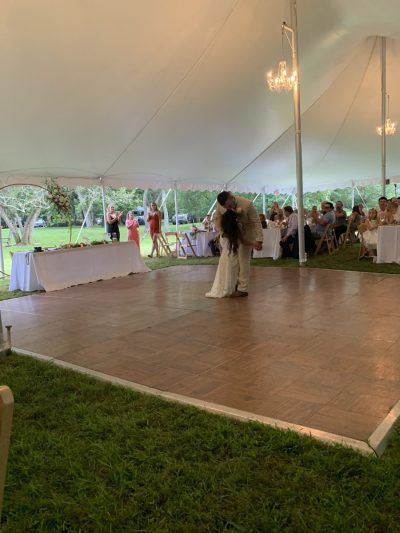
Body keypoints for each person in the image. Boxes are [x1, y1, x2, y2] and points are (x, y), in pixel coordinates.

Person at [213, 191, 263, 297]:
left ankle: (242, 288)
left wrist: (259, 239)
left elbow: (256, 222)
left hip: (247, 233)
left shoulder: (247, 204)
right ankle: (233, 283)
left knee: (243, 261)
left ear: (231, 198)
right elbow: (216, 218)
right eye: (226, 207)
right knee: (233, 261)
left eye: (229, 206)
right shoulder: (220, 205)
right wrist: (222, 232)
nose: (228, 208)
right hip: (230, 235)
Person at [206, 210, 257, 298]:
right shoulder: (237, 228)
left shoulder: (222, 228)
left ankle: (225, 288)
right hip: (233, 255)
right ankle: (230, 288)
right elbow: (243, 241)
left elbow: (222, 245)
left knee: (224, 273)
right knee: (232, 272)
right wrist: (254, 244)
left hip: (224, 255)